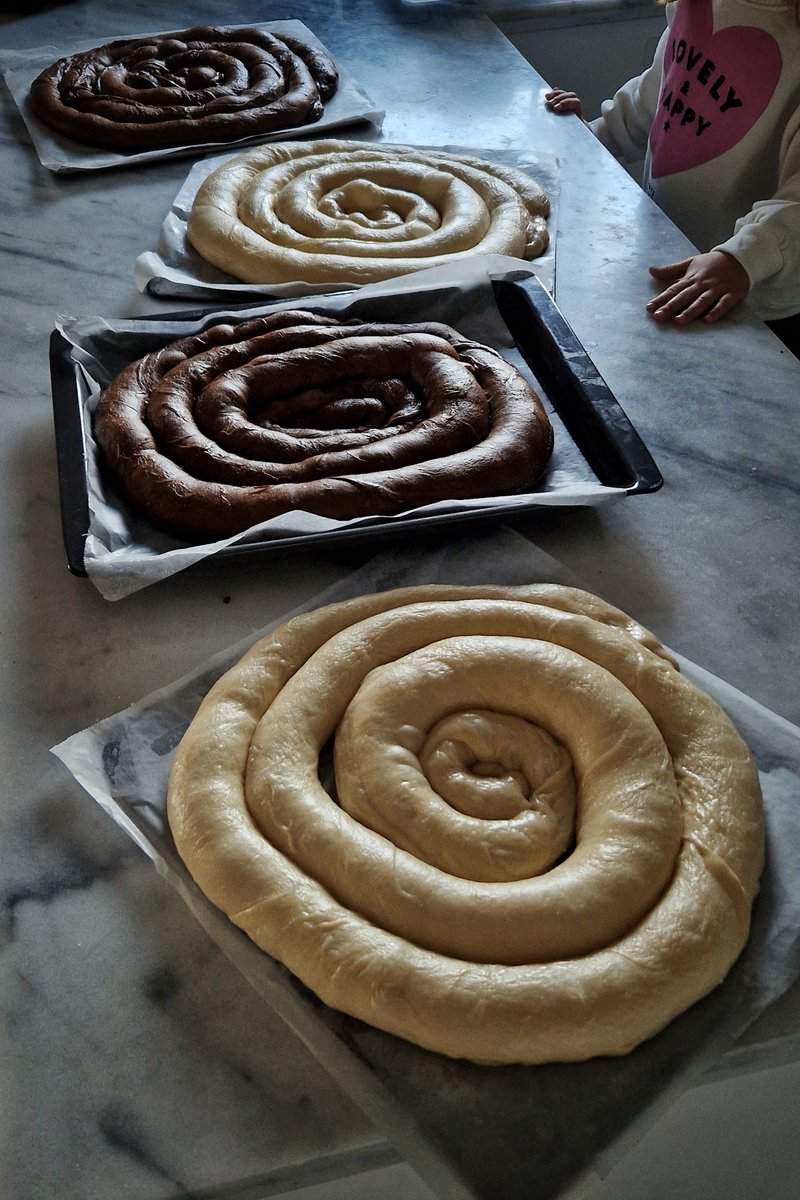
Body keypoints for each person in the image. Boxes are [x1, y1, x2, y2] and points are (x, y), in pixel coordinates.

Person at [544, 0, 800, 357]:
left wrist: (742, 258)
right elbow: (659, 95)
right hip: (666, 251)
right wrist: (592, 137)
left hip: (750, 293)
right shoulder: (699, 5)